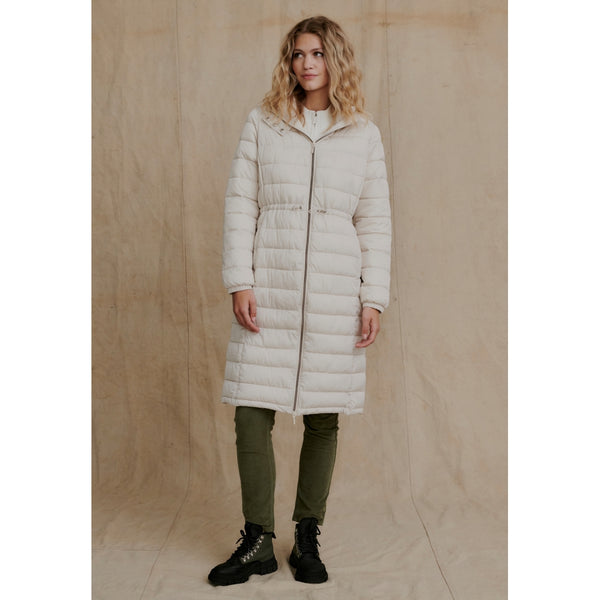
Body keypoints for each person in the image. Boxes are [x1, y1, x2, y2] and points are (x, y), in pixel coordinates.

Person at [208, 15, 391, 587]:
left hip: (335, 294)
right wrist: (240, 280)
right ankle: (258, 540)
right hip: (272, 287)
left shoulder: (362, 133)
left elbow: (375, 220)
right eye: (297, 54)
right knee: (251, 412)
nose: (306, 64)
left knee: (323, 416)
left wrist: (373, 297)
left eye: (317, 53)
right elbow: (240, 203)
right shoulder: (263, 123)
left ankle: (307, 535)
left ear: (336, 59)